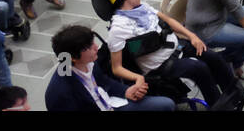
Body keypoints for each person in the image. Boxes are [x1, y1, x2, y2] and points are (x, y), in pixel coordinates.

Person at [100, 0, 241, 107]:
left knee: (212, 56)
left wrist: (192, 36)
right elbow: (116, 68)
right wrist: (138, 78)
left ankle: (237, 93)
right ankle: (219, 105)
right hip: (161, 66)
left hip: (178, 47)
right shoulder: (118, 29)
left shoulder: (143, 8)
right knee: (200, 69)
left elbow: (167, 20)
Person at [46, 23, 175, 112]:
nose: (96, 47)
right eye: (90, 47)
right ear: (73, 57)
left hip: (112, 103)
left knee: (166, 104)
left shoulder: (88, 61)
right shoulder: (59, 93)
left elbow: (104, 82)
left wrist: (126, 91)